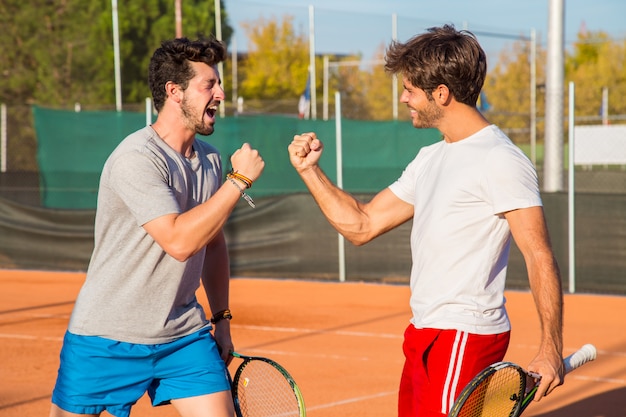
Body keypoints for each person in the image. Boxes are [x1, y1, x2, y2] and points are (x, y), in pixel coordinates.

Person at [288, 25, 564, 417]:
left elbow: (539, 255)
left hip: (464, 335)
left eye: (410, 90)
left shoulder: (500, 159)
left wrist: (550, 350)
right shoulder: (430, 159)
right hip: (423, 332)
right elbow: (362, 225)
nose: (403, 99)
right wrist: (310, 172)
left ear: (441, 94)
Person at [49, 37, 264, 417]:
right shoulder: (136, 158)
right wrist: (238, 182)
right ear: (174, 92)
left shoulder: (211, 161)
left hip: (183, 336)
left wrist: (222, 321)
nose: (221, 93)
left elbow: (212, 245)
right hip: (106, 337)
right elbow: (179, 241)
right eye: (209, 84)